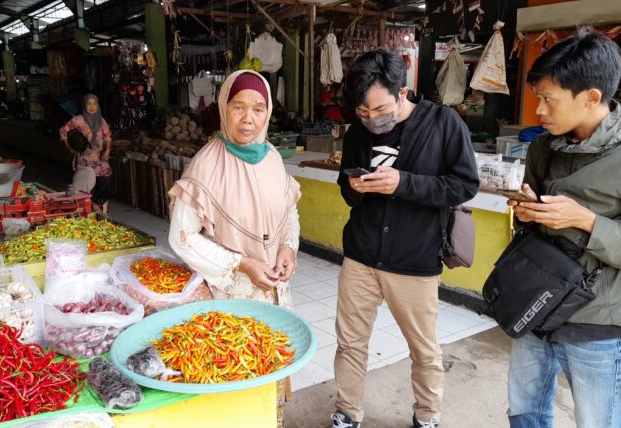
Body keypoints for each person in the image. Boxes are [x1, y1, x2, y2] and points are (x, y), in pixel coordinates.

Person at [332, 49, 479, 428]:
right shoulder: (357, 132)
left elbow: (465, 185)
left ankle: (427, 417)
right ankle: (347, 412)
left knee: (424, 349)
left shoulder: (444, 123)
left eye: (379, 109)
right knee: (350, 343)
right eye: (362, 113)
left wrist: (403, 183)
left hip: (415, 259)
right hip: (362, 254)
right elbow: (347, 195)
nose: (371, 120)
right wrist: (356, 186)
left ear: (403, 91)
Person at [168, 70, 301, 427]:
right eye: (238, 107)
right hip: (231, 293)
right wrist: (241, 263)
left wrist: (288, 247)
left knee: (272, 369)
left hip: (275, 289)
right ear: (224, 108)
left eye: (258, 108)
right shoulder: (206, 165)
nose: (248, 118)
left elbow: (288, 209)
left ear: (268, 112)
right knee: (237, 375)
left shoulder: (271, 156)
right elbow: (182, 237)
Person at [506, 32, 621, 428]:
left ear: (591, 97)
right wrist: (527, 212)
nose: (538, 110)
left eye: (548, 99)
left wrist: (584, 220)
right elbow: (531, 225)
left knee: (597, 420)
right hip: (535, 301)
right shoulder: (542, 147)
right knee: (525, 409)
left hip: (598, 321)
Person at [59, 94, 112, 213]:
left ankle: (99, 204)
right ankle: (91, 206)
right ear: (84, 105)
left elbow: (108, 136)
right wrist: (70, 148)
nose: (92, 107)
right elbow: (63, 132)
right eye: (89, 104)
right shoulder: (78, 120)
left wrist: (108, 150)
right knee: (88, 183)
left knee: (106, 180)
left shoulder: (101, 121)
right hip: (85, 159)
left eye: (94, 104)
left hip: (99, 158)